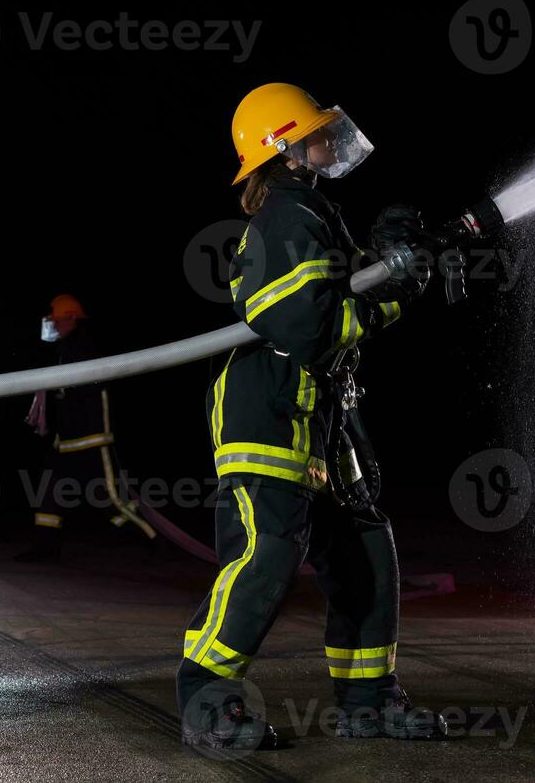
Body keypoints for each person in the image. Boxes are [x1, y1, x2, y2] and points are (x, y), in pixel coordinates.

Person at [177, 82, 447, 751]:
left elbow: (350, 306)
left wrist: (395, 266)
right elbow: (310, 325)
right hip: (268, 414)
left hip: (320, 415)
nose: (332, 138)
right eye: (318, 131)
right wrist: (392, 284)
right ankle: (207, 702)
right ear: (285, 147)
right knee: (266, 555)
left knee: (364, 555)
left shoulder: (315, 213)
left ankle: (369, 702)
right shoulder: (284, 215)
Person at [17, 295, 156, 562]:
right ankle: (45, 548)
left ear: (71, 319)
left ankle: (151, 541)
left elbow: (92, 392)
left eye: (57, 322)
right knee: (49, 495)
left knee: (109, 501)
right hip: (65, 442)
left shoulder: (85, 346)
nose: (53, 327)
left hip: (91, 440)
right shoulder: (64, 349)